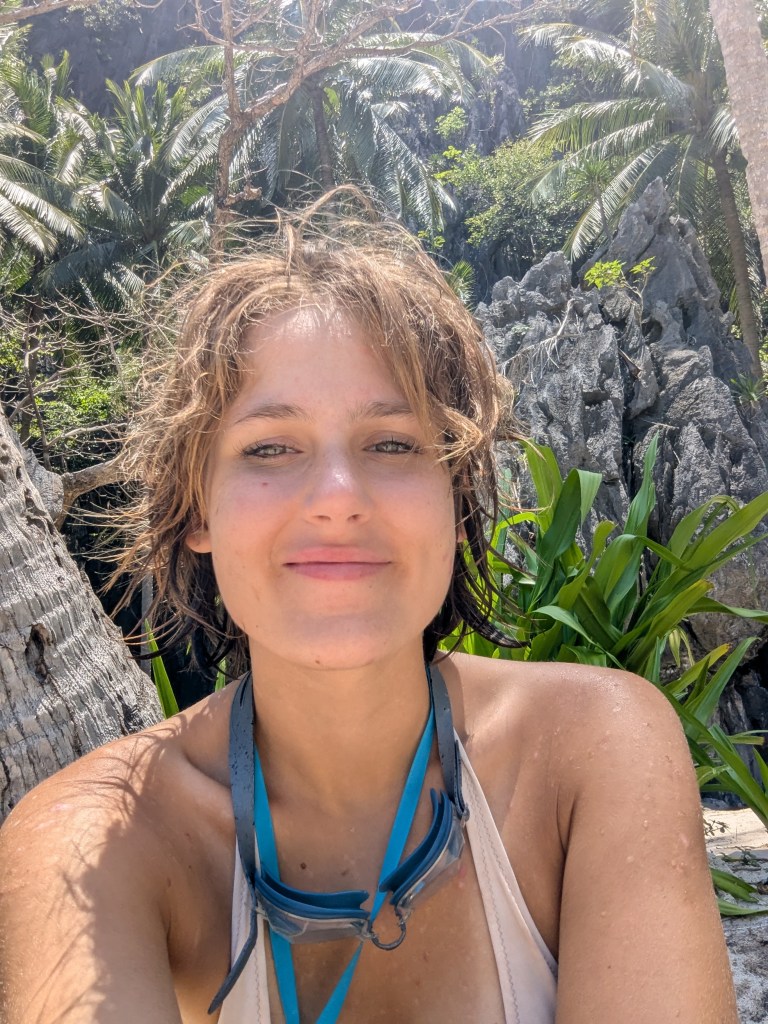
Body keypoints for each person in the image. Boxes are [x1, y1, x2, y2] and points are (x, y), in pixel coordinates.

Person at [0, 196, 738, 1024]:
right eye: (269, 447)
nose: (337, 497)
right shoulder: (97, 837)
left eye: (392, 443)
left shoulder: (591, 749)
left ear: (455, 495)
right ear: (198, 508)